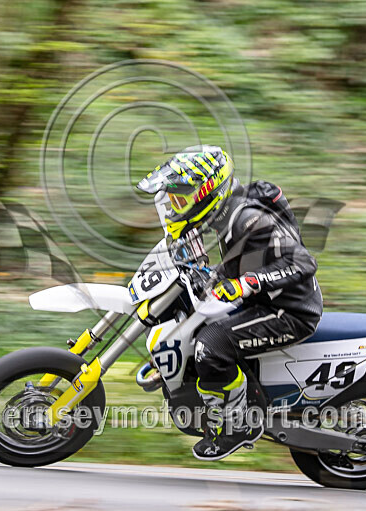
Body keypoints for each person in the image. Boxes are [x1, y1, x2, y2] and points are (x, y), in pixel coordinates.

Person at [138, 145, 323, 460]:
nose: (174, 204)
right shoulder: (223, 212)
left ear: (206, 191)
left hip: (287, 310)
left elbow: (303, 263)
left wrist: (246, 283)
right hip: (261, 299)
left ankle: (238, 426)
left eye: (181, 197)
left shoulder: (248, 219)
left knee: (209, 346)